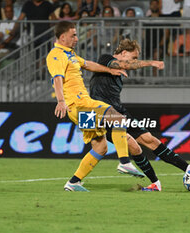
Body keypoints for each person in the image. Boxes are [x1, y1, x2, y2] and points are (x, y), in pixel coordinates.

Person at [89, 39, 190, 191]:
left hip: (118, 110)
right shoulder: (105, 59)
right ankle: (119, 166)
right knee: (126, 146)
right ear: (123, 53)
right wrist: (152, 63)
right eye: (133, 57)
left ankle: (188, 170)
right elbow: (124, 64)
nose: (134, 61)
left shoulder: (120, 72)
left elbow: (126, 66)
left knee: (149, 140)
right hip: (101, 112)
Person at [46, 21, 144, 192]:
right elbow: (57, 78)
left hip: (80, 106)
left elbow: (88, 64)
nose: (76, 38)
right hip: (79, 104)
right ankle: (124, 162)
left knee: (101, 146)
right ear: (62, 37)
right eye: (73, 35)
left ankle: (73, 183)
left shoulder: (69, 54)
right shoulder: (56, 55)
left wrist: (109, 70)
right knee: (118, 118)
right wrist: (61, 101)